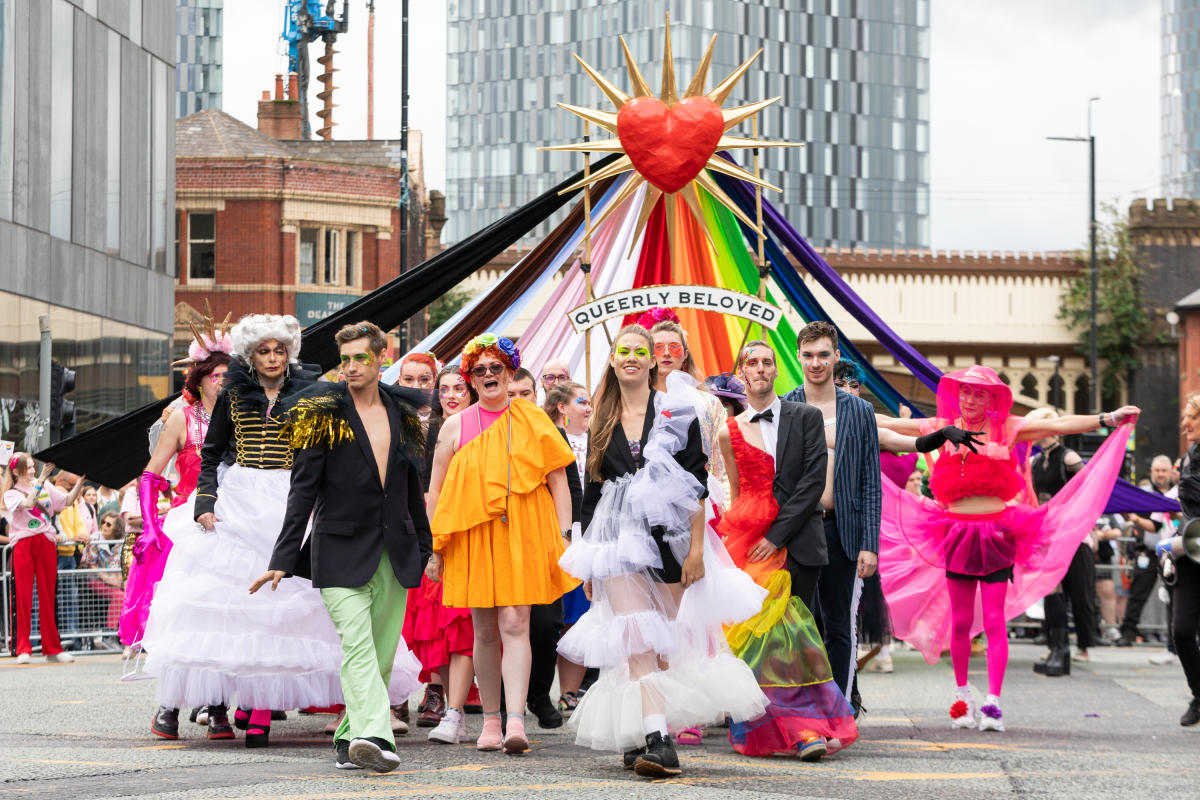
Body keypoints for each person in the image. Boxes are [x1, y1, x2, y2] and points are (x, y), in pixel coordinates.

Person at [877, 365, 1139, 730]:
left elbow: (1060, 425)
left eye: (979, 393)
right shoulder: (940, 426)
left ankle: (994, 702)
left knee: (996, 620)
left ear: (991, 398)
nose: (970, 399)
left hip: (998, 533)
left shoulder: (1009, 428)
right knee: (962, 621)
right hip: (955, 533)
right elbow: (890, 424)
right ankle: (962, 694)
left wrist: (1109, 417)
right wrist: (838, 408)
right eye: (965, 392)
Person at [558, 325, 766, 779]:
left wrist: (695, 551)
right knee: (637, 636)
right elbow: (591, 493)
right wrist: (589, 560)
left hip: (669, 539)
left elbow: (695, 485)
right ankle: (658, 739)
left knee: (664, 647)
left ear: (653, 361)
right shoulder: (600, 421)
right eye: (622, 351)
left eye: (640, 351)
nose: (631, 357)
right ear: (612, 360)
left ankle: (642, 730)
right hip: (616, 541)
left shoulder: (676, 411)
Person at [142, 314, 355, 747]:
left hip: (290, 496)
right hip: (239, 494)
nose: (273, 357)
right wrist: (205, 501)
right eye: (264, 350)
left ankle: (259, 709)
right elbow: (213, 451)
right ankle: (234, 702)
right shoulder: (233, 393)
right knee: (235, 604)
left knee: (285, 605)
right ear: (251, 354)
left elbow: (324, 454)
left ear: (289, 352)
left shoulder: (311, 393)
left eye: (279, 349)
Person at [254, 321, 431, 773]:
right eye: (345, 359)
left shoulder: (403, 412)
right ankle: (376, 736)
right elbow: (303, 491)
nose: (351, 367)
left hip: (395, 549)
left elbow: (411, 487)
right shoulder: (322, 412)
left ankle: (348, 737)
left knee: (382, 652)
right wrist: (282, 557)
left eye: (360, 358)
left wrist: (427, 548)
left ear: (381, 358)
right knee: (358, 647)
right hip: (336, 550)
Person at [424, 333, 579, 754]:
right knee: (484, 629)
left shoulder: (533, 418)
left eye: (497, 367)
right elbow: (435, 492)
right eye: (481, 369)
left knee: (516, 623)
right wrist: (435, 548)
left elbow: (558, 480)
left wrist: (565, 536)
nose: (489, 375)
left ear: (510, 372)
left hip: (525, 531)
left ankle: (515, 719)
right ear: (471, 377)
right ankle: (489, 718)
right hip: (474, 535)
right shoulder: (455, 426)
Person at [718, 341, 858, 759]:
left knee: (795, 639)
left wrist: (774, 537)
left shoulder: (806, 416)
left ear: (777, 370)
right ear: (742, 372)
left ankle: (808, 727)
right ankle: (783, 730)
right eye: (752, 363)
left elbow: (813, 483)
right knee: (759, 641)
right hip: (747, 543)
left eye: (767, 362)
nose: (759, 369)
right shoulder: (729, 430)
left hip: (796, 542)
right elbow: (738, 490)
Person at [782, 322, 881, 707]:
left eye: (824, 354)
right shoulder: (786, 406)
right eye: (808, 355)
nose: (816, 362)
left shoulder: (859, 411)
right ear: (798, 357)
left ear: (836, 356)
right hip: (799, 530)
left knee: (840, 625)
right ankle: (800, 707)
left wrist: (869, 544)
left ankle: (838, 707)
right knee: (798, 623)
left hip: (843, 529)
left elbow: (870, 480)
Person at [121, 319, 232, 653]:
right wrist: (152, 525)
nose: (222, 383)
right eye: (216, 377)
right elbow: (151, 475)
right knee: (186, 611)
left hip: (232, 524)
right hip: (189, 525)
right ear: (199, 381)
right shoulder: (182, 418)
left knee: (228, 613)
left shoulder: (244, 419)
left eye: (228, 377)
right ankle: (176, 699)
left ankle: (220, 698)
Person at [405, 365, 478, 732]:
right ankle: (453, 708)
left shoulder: (484, 427)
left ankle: (455, 711)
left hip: (475, 535)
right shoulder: (427, 433)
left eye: (459, 388)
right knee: (440, 629)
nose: (450, 395)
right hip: (436, 535)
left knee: (465, 626)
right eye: (444, 389)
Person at [1027, 408, 1098, 675]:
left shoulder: (1068, 457)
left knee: (1078, 591)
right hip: (1046, 533)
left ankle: (1079, 646)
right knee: (1050, 588)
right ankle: (1057, 647)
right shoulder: (1035, 462)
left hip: (1071, 534)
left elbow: (1089, 491)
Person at [542, 380, 594, 714]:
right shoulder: (549, 438)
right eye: (582, 401)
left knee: (580, 613)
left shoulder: (599, 439)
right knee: (553, 614)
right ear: (563, 408)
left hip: (590, 531)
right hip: (554, 533)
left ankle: (569, 691)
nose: (588, 407)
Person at [4, 454, 85, 663]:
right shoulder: (11, 494)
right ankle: (23, 648)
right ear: (16, 472)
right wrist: (42, 478)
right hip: (23, 543)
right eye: (28, 468)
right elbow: (29, 502)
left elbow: (65, 501)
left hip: (46, 541)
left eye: (33, 467)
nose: (32, 470)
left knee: (48, 595)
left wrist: (80, 483)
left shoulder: (47, 485)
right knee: (22, 596)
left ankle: (52, 648)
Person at [1153, 392, 1200, 726]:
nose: (1185, 423)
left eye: (1192, 417)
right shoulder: (1190, 456)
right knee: (1181, 631)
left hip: (1192, 542)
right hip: (1191, 549)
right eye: (1185, 416)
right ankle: (1199, 694)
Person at [1116, 454, 1177, 651]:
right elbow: (1150, 524)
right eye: (1157, 471)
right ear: (1151, 472)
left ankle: (1174, 638)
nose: (1160, 474)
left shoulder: (1177, 493)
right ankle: (1128, 632)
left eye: (1164, 471)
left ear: (1170, 472)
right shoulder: (1144, 493)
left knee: (1172, 594)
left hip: (1172, 554)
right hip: (1149, 552)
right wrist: (1134, 519)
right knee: (1138, 592)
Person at [53, 471, 94, 650]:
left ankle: (73, 640)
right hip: (56, 554)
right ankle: (47, 641)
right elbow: (57, 526)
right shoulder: (53, 496)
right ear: (61, 481)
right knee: (53, 600)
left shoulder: (72, 502)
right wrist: (73, 537)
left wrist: (82, 534)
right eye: (73, 486)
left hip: (70, 555)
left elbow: (78, 523)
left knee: (70, 599)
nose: (77, 491)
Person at [81, 511, 125, 649]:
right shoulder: (95, 539)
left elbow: (125, 564)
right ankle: (108, 636)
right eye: (103, 522)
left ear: (116, 528)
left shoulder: (123, 540)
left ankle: (129, 637)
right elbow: (91, 564)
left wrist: (120, 580)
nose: (104, 526)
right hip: (96, 579)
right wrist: (108, 578)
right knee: (119, 596)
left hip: (118, 579)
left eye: (108, 524)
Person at [397, 352, 439, 420]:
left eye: (424, 379)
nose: (416, 387)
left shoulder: (444, 415)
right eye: (408, 379)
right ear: (400, 381)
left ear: (434, 381)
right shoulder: (388, 413)